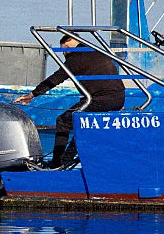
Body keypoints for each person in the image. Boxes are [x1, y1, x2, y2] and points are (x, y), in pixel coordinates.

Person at [13, 35, 125, 169]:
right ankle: (65, 161)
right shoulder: (96, 50)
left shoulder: (76, 58)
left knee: (64, 121)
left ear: (67, 46)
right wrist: (118, 101)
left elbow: (57, 78)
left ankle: (57, 163)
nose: (64, 55)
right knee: (83, 124)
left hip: (101, 99)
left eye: (63, 52)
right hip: (118, 98)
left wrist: (33, 94)